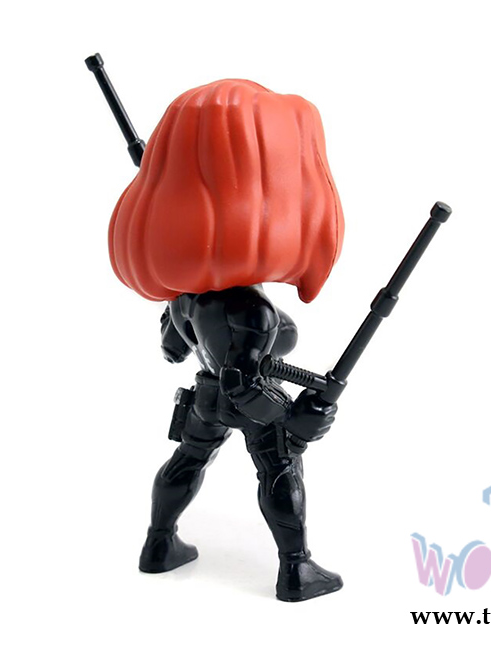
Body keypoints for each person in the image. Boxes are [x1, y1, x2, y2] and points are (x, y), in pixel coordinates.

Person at [107, 79, 345, 602]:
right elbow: (244, 385)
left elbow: (173, 349)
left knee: (190, 457)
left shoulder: (184, 295)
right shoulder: (250, 311)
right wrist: (293, 420)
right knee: (280, 463)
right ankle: (296, 569)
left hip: (206, 394)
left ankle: (159, 542)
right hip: (237, 396)